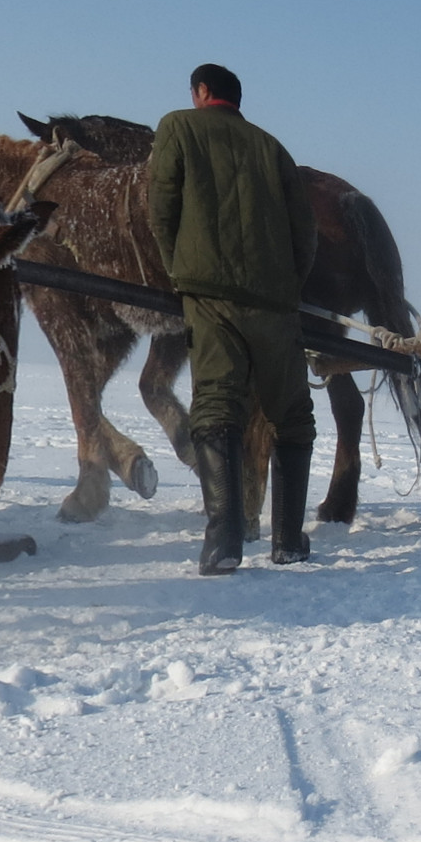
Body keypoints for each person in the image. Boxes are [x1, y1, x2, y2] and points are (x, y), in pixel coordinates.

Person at [147, 64, 317, 574]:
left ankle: (223, 539)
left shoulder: (178, 126)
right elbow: (303, 231)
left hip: (210, 292)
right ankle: (287, 539)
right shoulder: (273, 147)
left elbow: (162, 206)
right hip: (276, 302)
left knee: (217, 407)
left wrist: (179, 268)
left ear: (201, 93)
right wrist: (287, 284)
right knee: (292, 416)